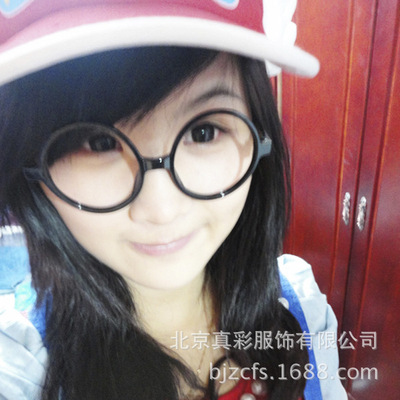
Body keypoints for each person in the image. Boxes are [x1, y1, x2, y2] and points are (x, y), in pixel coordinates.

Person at [0, 1, 347, 399]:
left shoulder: (301, 307)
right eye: (99, 143)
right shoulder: (21, 361)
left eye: (204, 132)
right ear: (29, 164)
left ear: (259, 138)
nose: (161, 210)